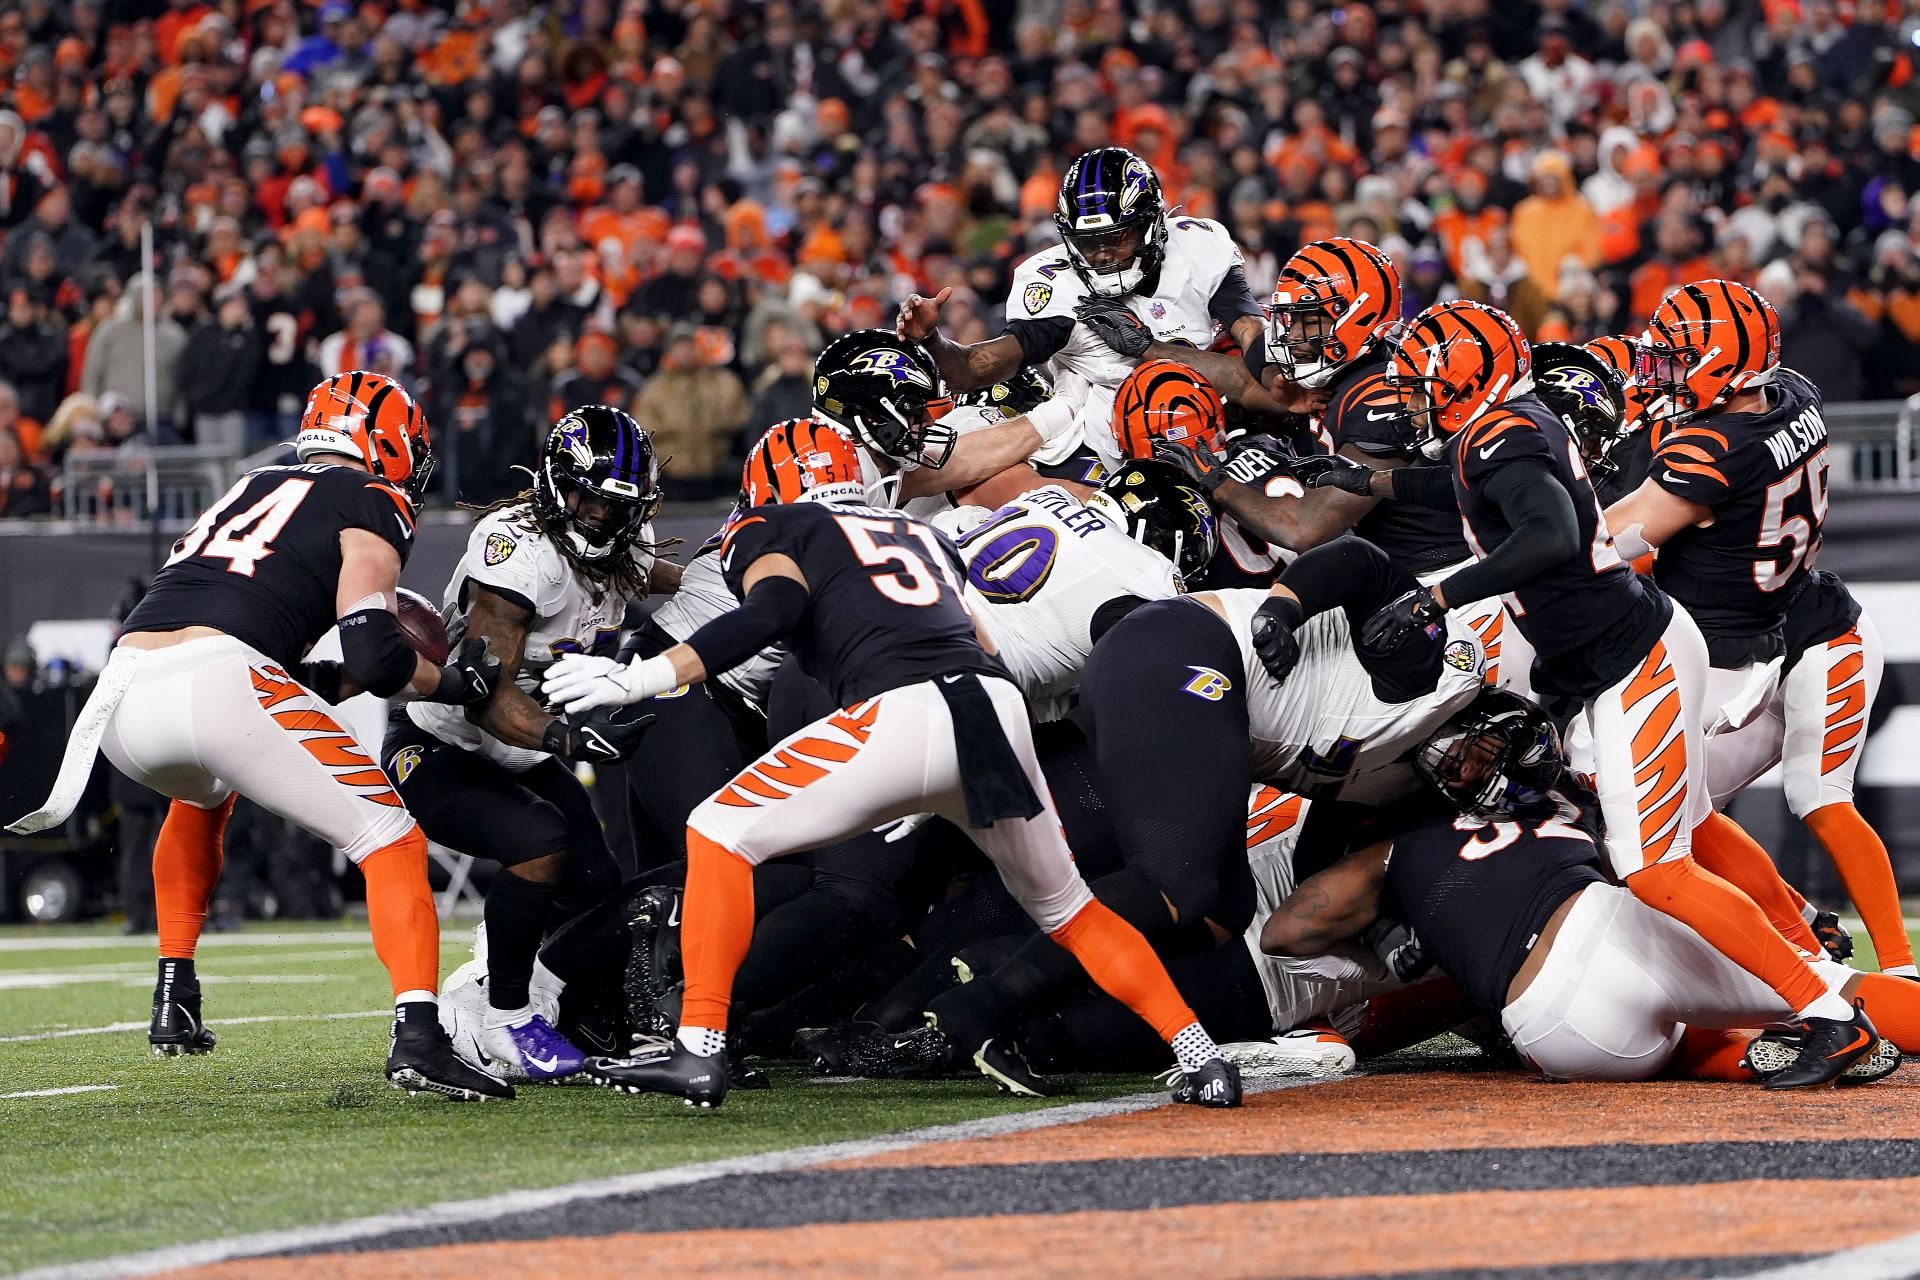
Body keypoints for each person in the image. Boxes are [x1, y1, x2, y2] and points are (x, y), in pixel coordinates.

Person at [1299, 298, 1882, 1088]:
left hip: (1634, 663)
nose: (1413, 401)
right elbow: (1467, 490)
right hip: (1624, 657)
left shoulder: (1505, 437)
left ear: (1465, 381)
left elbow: (1548, 536)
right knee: (1690, 825)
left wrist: (1439, 598)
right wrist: (1370, 479)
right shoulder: (1503, 428)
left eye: (1424, 385)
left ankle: (1829, 1012)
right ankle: (1805, 948)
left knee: (1653, 869)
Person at [543, 456, 1243, 1111]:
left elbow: (771, 614)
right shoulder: (919, 533)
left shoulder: (773, 525)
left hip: (903, 708)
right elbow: (978, 640)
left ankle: (698, 1048)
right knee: (1069, 910)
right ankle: (1201, 1055)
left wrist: (639, 676)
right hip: (991, 709)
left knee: (718, 831)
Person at [8, 371, 509, 1100]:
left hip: (121, 692)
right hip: (220, 680)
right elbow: (373, 650)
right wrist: (454, 683)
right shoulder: (372, 497)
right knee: (391, 839)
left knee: (206, 791)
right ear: (387, 442)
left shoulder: (247, 487)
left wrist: (348, 675)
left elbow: (290, 659)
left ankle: (173, 990)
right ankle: (419, 1037)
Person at [919, 534, 1487, 1094]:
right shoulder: (1448, 679)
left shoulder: (1396, 786)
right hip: (1186, 653)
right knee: (1174, 881)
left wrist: (1388, 928)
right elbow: (1361, 556)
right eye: (1489, 753)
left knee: (1219, 913)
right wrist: (1284, 608)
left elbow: (1318, 857)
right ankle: (986, 1004)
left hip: (1179, 686)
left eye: (1481, 781)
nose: (1470, 769)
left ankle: (1013, 990)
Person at [1260, 692, 1915, 1089]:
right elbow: (1697, 845)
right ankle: (1815, 1018)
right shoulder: (1579, 801)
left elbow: (1285, 932)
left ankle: (1752, 1061)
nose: (1465, 768)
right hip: (1604, 933)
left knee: (1678, 1034)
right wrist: (1799, 918)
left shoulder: (1399, 851)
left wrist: (1395, 949)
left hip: (1552, 1034)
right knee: (1826, 985)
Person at [1604, 281, 1914, 978]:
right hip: (1759, 639)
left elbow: (1614, 537)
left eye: (1681, 359)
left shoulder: (1719, 450)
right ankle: (1806, 931)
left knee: (1817, 795)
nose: (1667, 374)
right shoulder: (1794, 395)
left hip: (1815, 636)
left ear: (1721, 363)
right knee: (1681, 804)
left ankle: (1896, 968)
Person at [389, 405, 673, 1083]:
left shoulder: (626, 545)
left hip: (523, 751)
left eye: (617, 506)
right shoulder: (520, 551)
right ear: (556, 485)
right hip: (440, 742)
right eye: (589, 499)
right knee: (538, 841)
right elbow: (485, 695)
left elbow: (687, 579)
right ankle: (502, 1021)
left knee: (599, 888)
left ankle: (517, 993)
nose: (602, 517)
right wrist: (570, 733)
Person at [1164, 239, 1532, 685]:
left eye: (1309, 322)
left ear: (1357, 319)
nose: (1292, 338)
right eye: (1292, 322)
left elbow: (1304, 528)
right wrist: (1147, 347)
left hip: (1453, 590)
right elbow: (1250, 368)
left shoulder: (1386, 398)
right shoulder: (1348, 368)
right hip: (1398, 580)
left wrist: (1215, 482)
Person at [896, 147, 1295, 476]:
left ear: (1152, 224)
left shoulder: (1196, 248)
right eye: (1089, 242)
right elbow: (973, 368)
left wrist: (1284, 380)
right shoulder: (1058, 289)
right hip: (1108, 449)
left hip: (1209, 412)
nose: (1103, 253)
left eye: (1117, 238)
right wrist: (931, 339)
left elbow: (1254, 341)